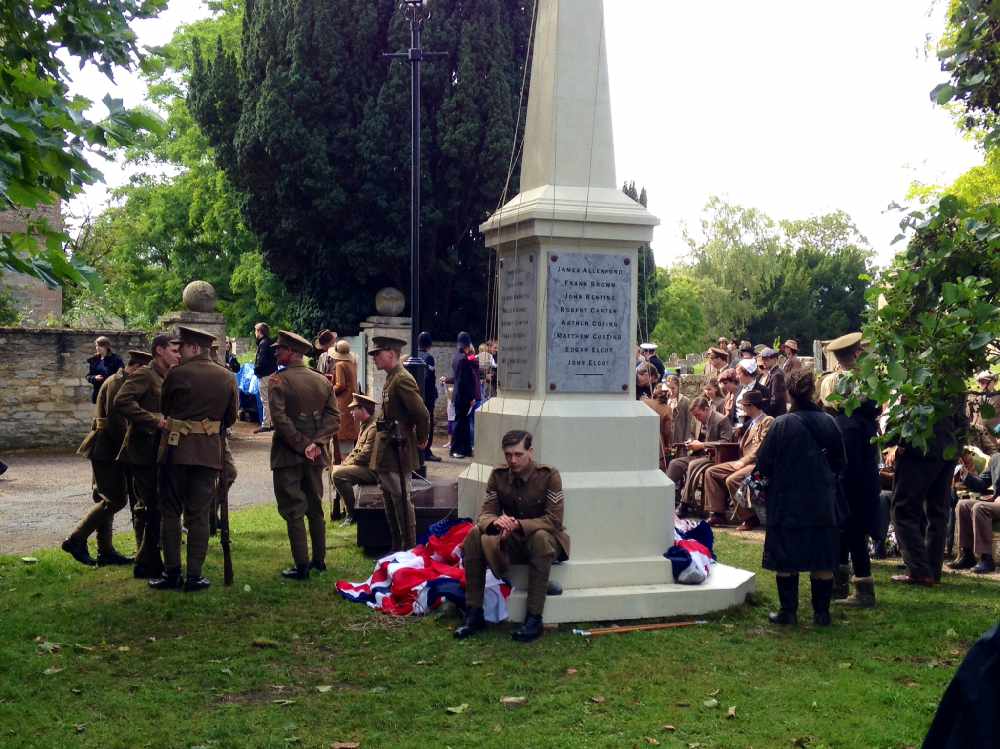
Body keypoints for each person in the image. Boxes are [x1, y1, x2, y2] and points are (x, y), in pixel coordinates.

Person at [454, 430, 570, 643]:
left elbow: (554, 521)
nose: (512, 460)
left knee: (541, 539)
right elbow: (485, 514)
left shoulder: (549, 476)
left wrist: (518, 524)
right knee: (473, 534)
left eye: (518, 454)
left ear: (530, 452)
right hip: (511, 539)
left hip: (544, 539)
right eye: (508, 455)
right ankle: (474, 614)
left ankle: (534, 619)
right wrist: (495, 522)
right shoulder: (498, 476)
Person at [150, 326, 239, 592]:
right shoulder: (226, 377)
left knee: (170, 512)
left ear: (195, 348)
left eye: (184, 347)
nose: (181, 353)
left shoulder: (177, 374)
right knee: (199, 515)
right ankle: (194, 576)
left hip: (176, 452)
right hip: (209, 453)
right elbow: (230, 417)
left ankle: (172, 572)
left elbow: (165, 407)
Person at [756, 368, 847, 627]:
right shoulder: (830, 423)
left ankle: (789, 612)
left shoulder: (781, 425)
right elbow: (841, 463)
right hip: (821, 501)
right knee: (822, 557)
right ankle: (822, 613)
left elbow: (763, 464)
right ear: (813, 392)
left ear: (788, 393)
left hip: (787, 501)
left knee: (786, 557)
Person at [62, 349, 152, 567]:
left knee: (109, 497)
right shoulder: (118, 384)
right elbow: (116, 422)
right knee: (114, 500)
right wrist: (130, 450)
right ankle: (76, 539)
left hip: (110, 448)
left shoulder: (119, 380)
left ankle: (106, 550)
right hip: (107, 449)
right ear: (138, 367)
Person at [264, 330, 340, 579]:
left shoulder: (278, 380)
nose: (276, 352)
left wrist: (301, 444)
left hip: (289, 453)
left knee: (294, 508)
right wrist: (316, 443)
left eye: (280, 349)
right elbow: (333, 417)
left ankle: (302, 565)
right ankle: (319, 560)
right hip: (315, 454)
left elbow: (279, 419)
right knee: (315, 506)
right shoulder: (321, 380)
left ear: (294, 353)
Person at [820, 332, 881, 608]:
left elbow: (846, 464)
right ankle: (840, 584)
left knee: (852, 531)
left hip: (851, 485)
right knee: (847, 533)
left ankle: (862, 590)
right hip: (863, 482)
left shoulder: (847, 424)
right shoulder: (865, 418)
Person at [115, 333, 181, 579]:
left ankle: (148, 561)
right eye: (174, 350)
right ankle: (147, 562)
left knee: (157, 507)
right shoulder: (144, 374)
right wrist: (153, 419)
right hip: (141, 452)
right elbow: (122, 401)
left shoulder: (167, 376)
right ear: (159, 350)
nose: (178, 354)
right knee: (151, 507)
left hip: (159, 450)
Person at [890, 395, 968, 587]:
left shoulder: (920, 370)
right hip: (947, 450)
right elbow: (962, 419)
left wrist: (897, 443)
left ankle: (919, 571)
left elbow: (908, 410)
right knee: (938, 512)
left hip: (920, 449)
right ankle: (932, 570)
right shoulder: (954, 373)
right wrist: (957, 449)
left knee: (903, 511)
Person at [370, 335, 430, 551]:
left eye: (377, 353)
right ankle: (397, 546)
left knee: (401, 499)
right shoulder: (391, 377)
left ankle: (408, 549)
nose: (374, 358)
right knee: (390, 498)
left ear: (391, 353)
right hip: (389, 448)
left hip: (399, 448)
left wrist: (422, 439)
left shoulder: (402, 378)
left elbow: (421, 413)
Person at [703, 390, 774, 527]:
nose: (742, 408)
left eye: (744, 406)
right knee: (711, 472)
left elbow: (761, 448)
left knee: (733, 480)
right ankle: (717, 514)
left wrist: (742, 462)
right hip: (744, 462)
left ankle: (749, 517)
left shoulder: (767, 421)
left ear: (751, 406)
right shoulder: (751, 422)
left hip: (757, 464)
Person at [668, 396, 734, 514]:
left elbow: (726, 442)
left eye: (698, 415)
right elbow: (694, 436)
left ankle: (685, 503)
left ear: (706, 409)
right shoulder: (698, 421)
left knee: (693, 464)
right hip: (699, 455)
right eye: (695, 416)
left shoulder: (721, 420)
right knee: (675, 463)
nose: (697, 418)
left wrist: (703, 445)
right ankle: (665, 496)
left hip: (715, 457)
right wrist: (691, 442)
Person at [329, 394, 380, 526]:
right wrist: (345, 464)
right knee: (336, 470)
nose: (351, 412)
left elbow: (365, 455)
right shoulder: (365, 425)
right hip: (366, 467)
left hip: (373, 471)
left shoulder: (373, 428)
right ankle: (344, 510)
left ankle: (352, 515)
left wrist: (345, 466)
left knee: (338, 474)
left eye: (354, 409)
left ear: (362, 409)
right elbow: (357, 451)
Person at [949, 452, 1000, 574]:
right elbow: (981, 484)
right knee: (963, 505)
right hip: (996, 502)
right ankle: (967, 555)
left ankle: (986, 558)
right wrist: (966, 475)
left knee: (980, 508)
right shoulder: (996, 458)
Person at [448, 332, 478, 459]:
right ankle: (455, 449)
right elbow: (464, 381)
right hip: (463, 396)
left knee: (463, 423)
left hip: (459, 395)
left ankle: (465, 449)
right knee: (460, 423)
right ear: (467, 345)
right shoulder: (463, 359)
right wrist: (471, 397)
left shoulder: (456, 357)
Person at [416, 332, 440, 462]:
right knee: (428, 424)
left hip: (417, 396)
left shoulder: (414, 355)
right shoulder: (429, 358)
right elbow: (429, 378)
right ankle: (427, 451)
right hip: (428, 397)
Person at [253, 322, 278, 433]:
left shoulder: (263, 344)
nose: (255, 333)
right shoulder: (269, 342)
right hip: (272, 372)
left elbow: (261, 361)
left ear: (259, 331)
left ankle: (266, 424)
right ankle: (271, 422)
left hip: (265, 375)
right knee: (271, 399)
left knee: (265, 400)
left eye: (256, 331)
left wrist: (256, 370)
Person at [968, 370, 1000, 455]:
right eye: (981, 382)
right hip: (982, 441)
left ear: (995, 382)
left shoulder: (998, 397)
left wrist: (998, 432)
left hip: (995, 440)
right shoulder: (977, 398)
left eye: (986, 381)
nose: (983, 384)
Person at [85, 336, 125, 404]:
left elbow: (122, 374)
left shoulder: (116, 359)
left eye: (100, 346)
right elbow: (88, 376)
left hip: (112, 393)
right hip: (98, 393)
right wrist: (94, 378)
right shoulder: (94, 360)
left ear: (106, 347)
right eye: (97, 346)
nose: (97, 348)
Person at [732, 358, 769, 429]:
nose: (736, 377)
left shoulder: (762, 391)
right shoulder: (739, 388)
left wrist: (742, 428)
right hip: (735, 428)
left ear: (747, 373)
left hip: (751, 429)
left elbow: (761, 415)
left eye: (738, 374)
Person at [664, 374, 694, 446]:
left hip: (680, 437)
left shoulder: (685, 401)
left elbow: (689, 422)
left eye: (673, 388)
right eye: (669, 388)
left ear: (678, 387)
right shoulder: (665, 401)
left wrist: (687, 439)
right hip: (668, 438)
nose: (671, 391)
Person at [758, 348, 787, 418]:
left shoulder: (777, 375)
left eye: (766, 359)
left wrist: (763, 413)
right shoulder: (772, 373)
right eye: (763, 359)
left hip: (775, 415)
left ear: (774, 359)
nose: (763, 362)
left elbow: (775, 400)